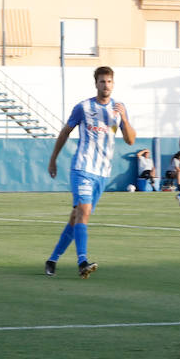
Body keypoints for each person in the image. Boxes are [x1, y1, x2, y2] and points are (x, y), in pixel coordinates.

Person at [44, 66, 136, 277]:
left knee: (76, 217)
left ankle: (52, 259)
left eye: (109, 82)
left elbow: (130, 140)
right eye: (102, 82)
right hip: (82, 168)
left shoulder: (118, 109)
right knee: (83, 212)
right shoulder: (83, 107)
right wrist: (53, 159)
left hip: (102, 173)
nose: (106, 85)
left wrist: (125, 119)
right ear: (96, 84)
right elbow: (65, 132)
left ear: (113, 83)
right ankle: (82, 262)